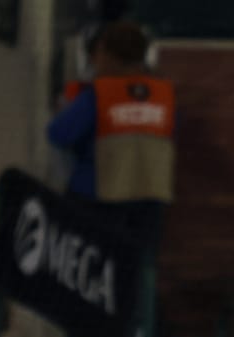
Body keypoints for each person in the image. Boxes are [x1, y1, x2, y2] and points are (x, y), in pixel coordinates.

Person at [45, 19, 173, 257]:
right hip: (149, 203)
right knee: (136, 276)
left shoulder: (101, 94)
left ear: (108, 54)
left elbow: (58, 133)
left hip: (98, 199)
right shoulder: (163, 94)